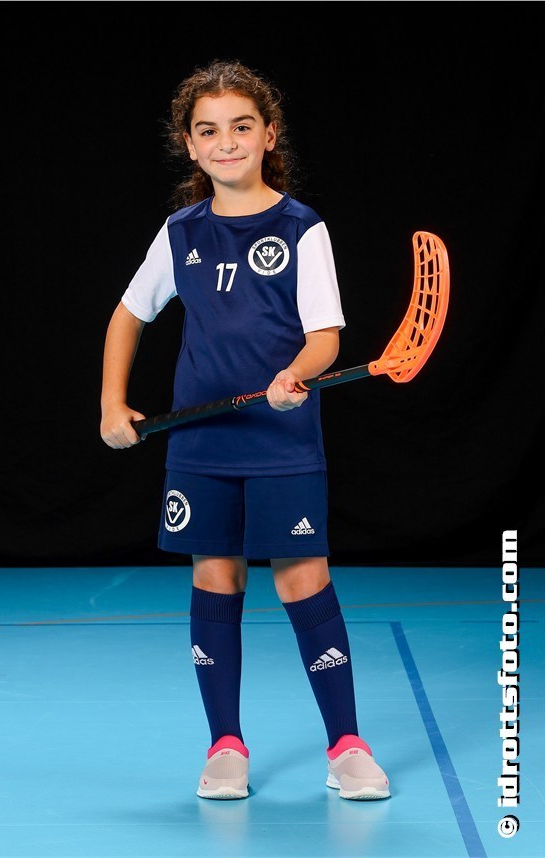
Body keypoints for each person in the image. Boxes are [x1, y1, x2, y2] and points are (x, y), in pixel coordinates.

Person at [100, 59, 389, 802]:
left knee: (303, 578)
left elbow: (324, 338)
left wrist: (296, 373)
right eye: (208, 131)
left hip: (282, 440)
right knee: (215, 576)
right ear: (189, 144)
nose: (225, 142)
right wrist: (112, 404)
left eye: (240, 127)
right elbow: (128, 314)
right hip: (201, 444)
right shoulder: (180, 233)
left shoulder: (301, 228)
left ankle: (346, 744)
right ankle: (225, 744)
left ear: (268, 134)